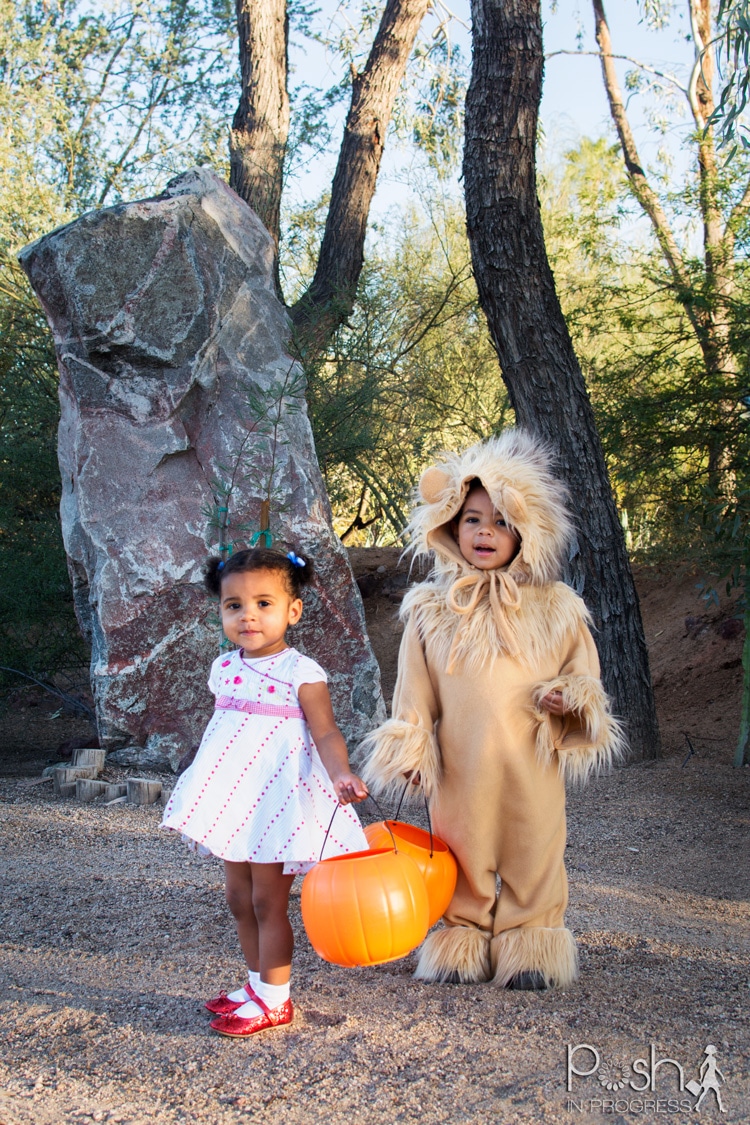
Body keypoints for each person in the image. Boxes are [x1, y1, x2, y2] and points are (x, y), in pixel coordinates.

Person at [359, 430, 625, 989]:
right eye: (473, 518)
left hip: (532, 761)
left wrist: (570, 699)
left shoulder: (557, 609)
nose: (486, 532)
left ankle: (531, 940)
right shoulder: (431, 611)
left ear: (526, 532)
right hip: (461, 766)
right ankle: (463, 935)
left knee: (536, 849)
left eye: (503, 521)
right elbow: (414, 693)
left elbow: (584, 675)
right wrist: (411, 746)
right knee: (461, 849)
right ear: (450, 525)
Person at [162, 547, 368, 1037]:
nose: (247, 615)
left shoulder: (302, 672)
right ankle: (255, 984)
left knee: (266, 903)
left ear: (292, 611)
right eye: (234, 605)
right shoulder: (223, 667)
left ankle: (276, 998)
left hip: (277, 802)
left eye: (263, 603)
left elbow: (326, 734)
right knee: (237, 897)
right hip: (236, 798)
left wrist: (340, 772)